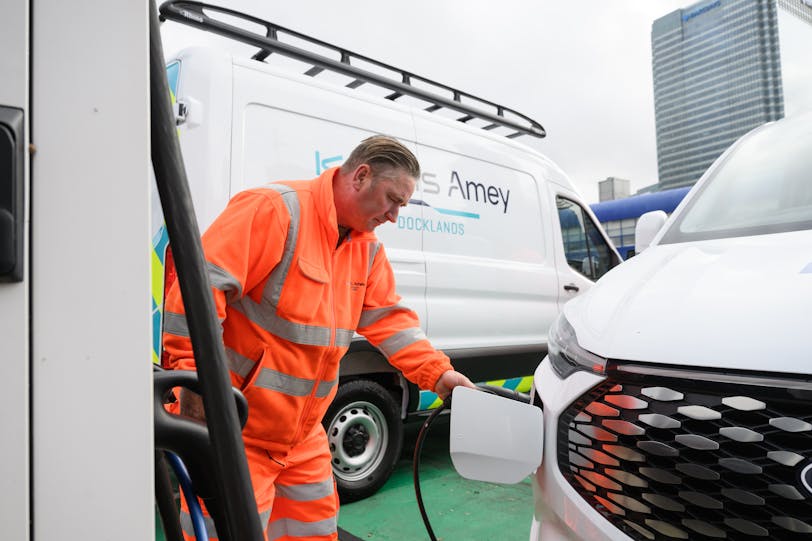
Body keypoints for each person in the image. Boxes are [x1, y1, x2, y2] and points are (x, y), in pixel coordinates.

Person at [162, 135, 475, 541]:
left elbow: (392, 323)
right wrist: (193, 383)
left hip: (304, 438)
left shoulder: (367, 251)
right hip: (239, 432)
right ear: (361, 176)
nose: (396, 216)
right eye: (393, 200)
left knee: (313, 531)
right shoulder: (274, 211)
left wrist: (439, 374)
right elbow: (197, 291)